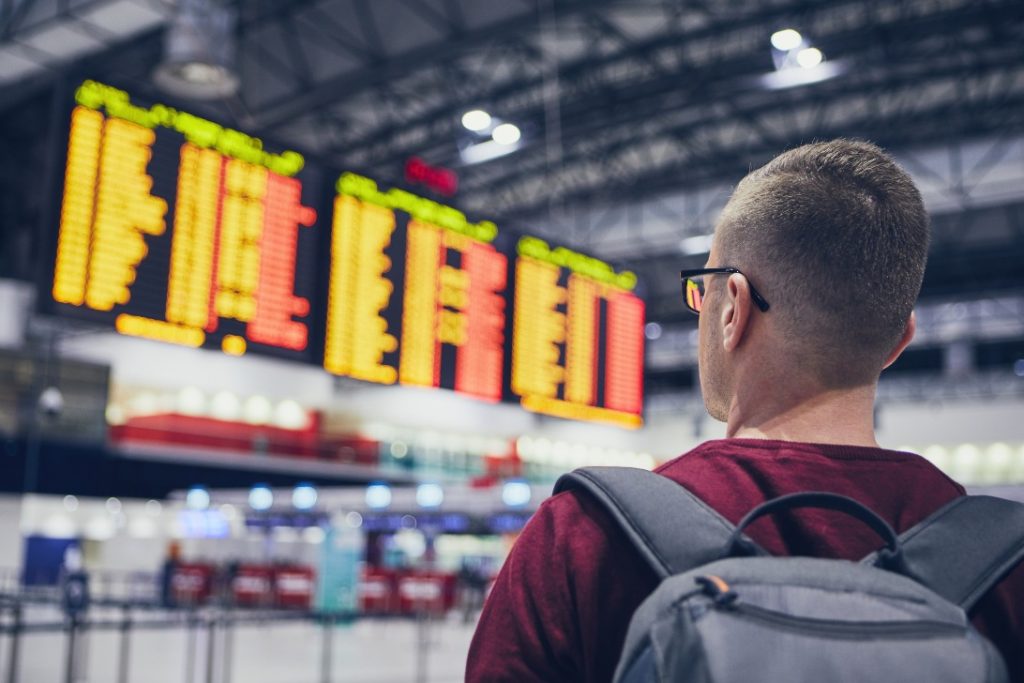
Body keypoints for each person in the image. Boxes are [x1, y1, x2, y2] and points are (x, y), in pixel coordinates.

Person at [466, 140, 1024, 682]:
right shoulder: (1006, 568)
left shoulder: (582, 538)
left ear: (733, 305)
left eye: (702, 290)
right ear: (899, 342)